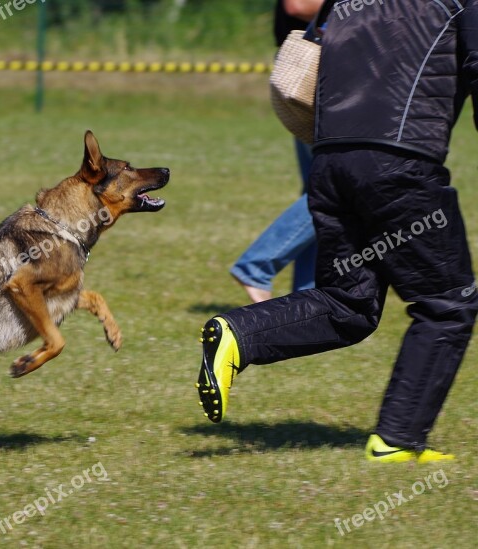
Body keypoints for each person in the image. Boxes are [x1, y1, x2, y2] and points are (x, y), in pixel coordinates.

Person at [197, 0, 478, 463]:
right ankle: (397, 441)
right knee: (448, 304)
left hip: (330, 161)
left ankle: (238, 333)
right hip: (399, 163)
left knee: (349, 302)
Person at [229, 0, 325, 303]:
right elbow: (297, 5)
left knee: (318, 189)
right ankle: (257, 267)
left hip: (324, 69)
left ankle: (306, 296)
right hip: (319, 71)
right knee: (333, 191)